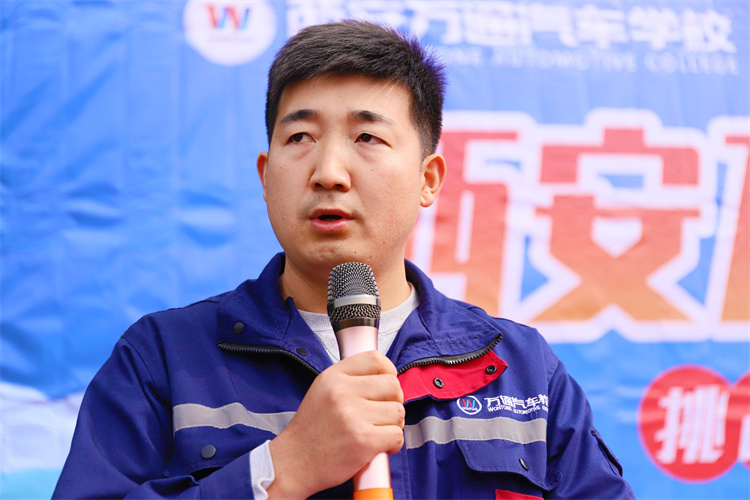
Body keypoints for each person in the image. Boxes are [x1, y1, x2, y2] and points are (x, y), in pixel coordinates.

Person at [53, 20, 634, 499]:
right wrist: (280, 470)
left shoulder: (520, 369)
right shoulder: (164, 357)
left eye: (367, 138)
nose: (328, 172)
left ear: (429, 179)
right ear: (265, 175)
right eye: (300, 138)